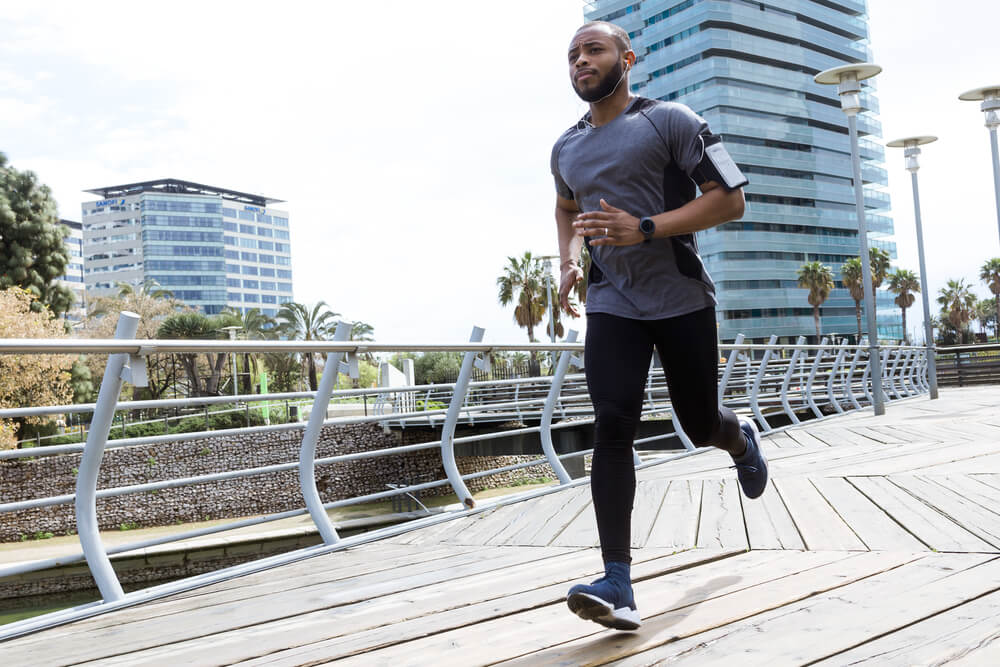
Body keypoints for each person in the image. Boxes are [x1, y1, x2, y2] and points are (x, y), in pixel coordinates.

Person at [552, 21, 768, 631]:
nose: (580, 62)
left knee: (699, 422)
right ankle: (617, 582)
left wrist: (644, 227)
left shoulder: (670, 120)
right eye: (572, 56)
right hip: (613, 301)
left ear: (627, 57)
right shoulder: (565, 147)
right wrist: (569, 261)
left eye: (592, 50)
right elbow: (567, 206)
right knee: (612, 423)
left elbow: (731, 199)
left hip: (679, 296)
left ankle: (739, 438)